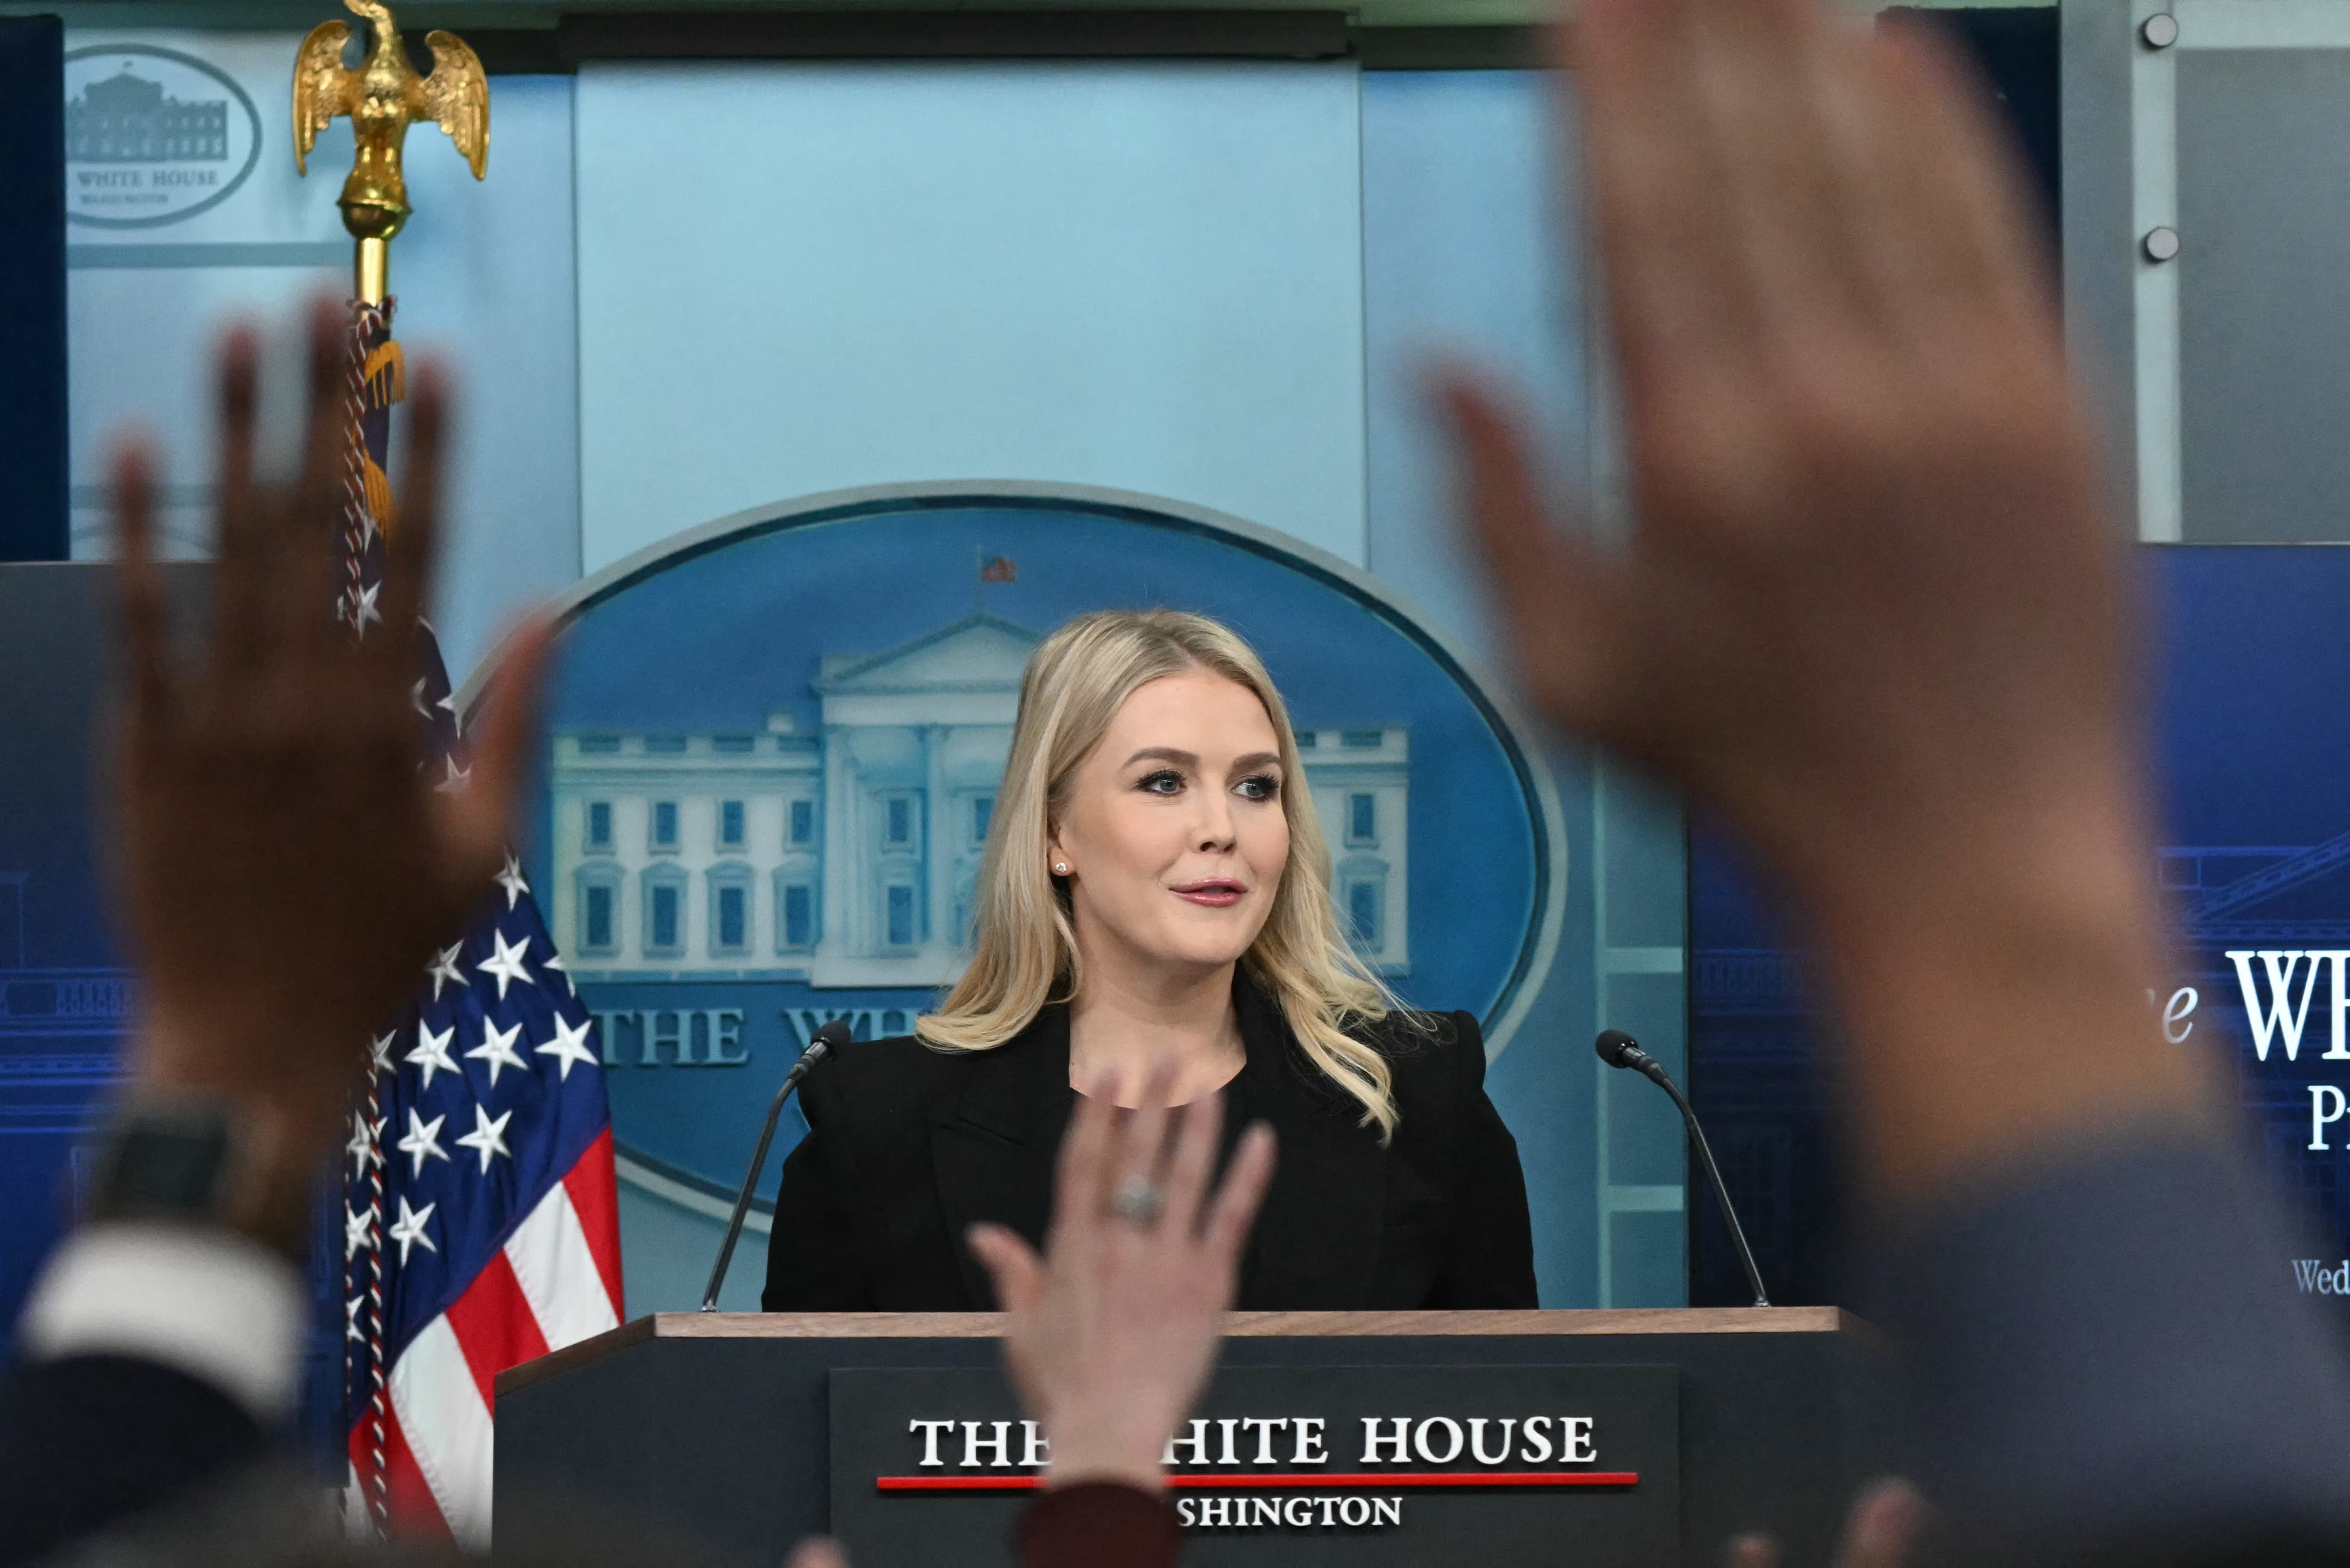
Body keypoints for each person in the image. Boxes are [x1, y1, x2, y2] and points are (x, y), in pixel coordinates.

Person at [762, 608, 1536, 1312]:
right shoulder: (876, 1124)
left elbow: (1535, 1433)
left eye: (1256, 787)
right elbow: (792, 1442)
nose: (1220, 827)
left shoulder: (1422, 1095)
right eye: (1164, 783)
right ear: (1054, 834)